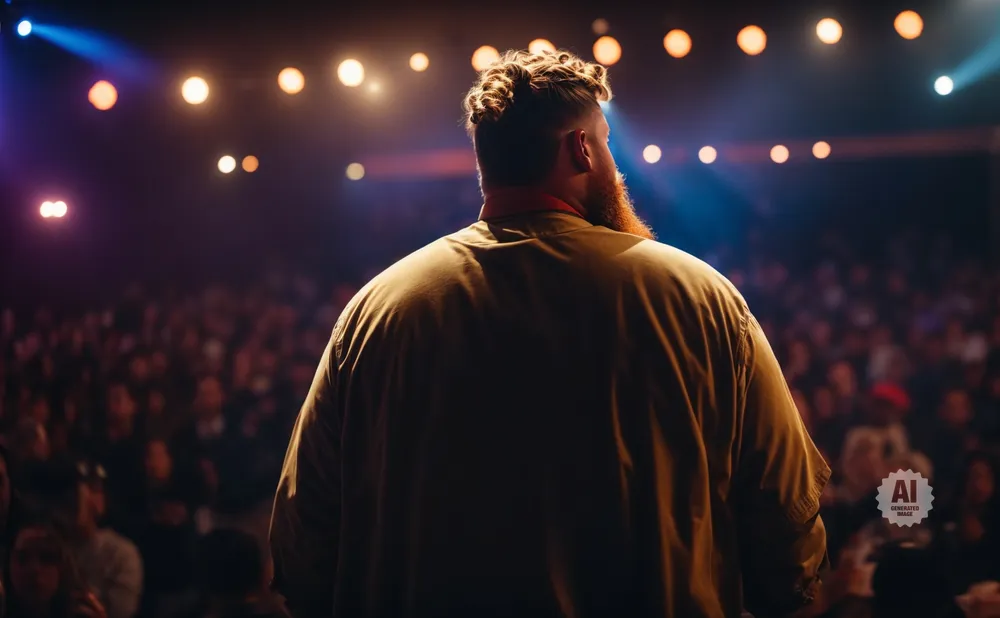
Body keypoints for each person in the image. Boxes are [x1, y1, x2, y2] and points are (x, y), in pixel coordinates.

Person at [270, 49, 830, 618]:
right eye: (608, 142)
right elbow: (785, 523)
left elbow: (304, 537)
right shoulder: (700, 297)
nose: (614, 161)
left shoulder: (376, 310)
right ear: (581, 148)